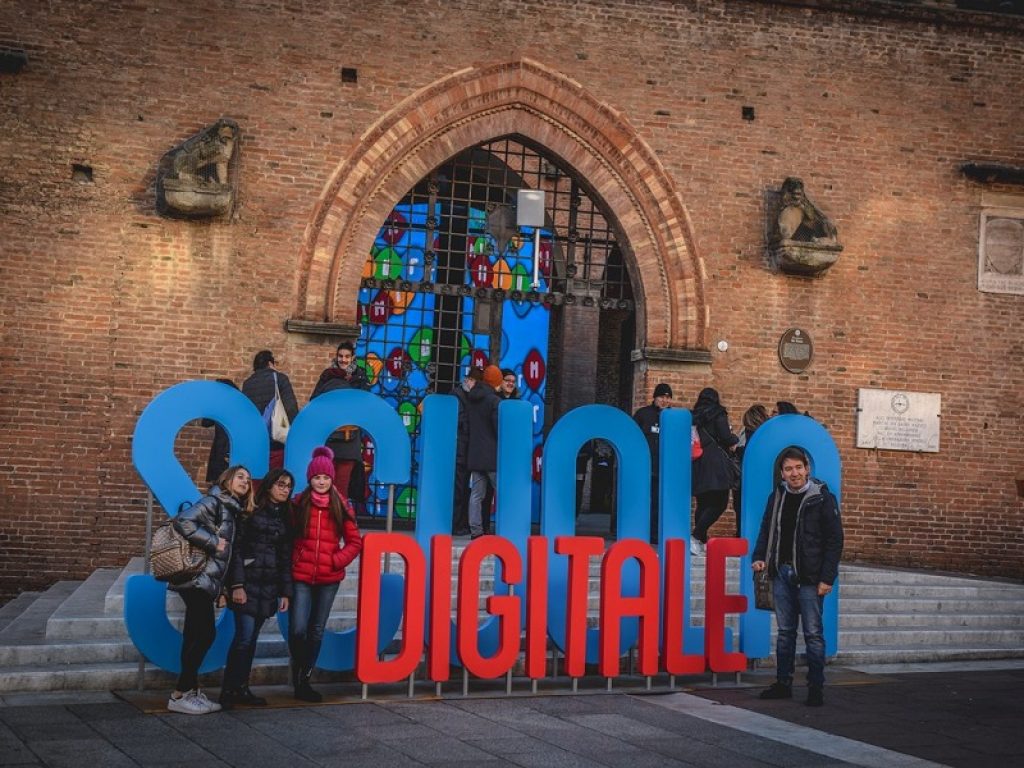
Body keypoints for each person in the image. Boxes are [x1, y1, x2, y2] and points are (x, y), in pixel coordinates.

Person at [752, 446, 843, 707]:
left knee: (813, 633)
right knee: (785, 632)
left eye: (799, 468)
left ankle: (815, 687)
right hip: (781, 573)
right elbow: (766, 529)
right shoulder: (777, 496)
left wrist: (827, 578)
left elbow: (835, 540)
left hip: (810, 578)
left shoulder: (822, 498)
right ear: (782, 473)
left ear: (807, 469)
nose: (794, 473)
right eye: (789, 469)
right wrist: (759, 556)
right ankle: (783, 684)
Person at [166, 465, 251, 715]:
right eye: (240, 477)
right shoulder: (214, 501)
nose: (245, 482)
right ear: (227, 480)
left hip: (206, 580)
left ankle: (189, 692)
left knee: (194, 635)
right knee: (205, 634)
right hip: (196, 578)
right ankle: (180, 693)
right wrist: (213, 542)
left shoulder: (232, 510)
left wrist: (222, 589)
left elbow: (228, 558)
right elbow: (182, 520)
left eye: (248, 479)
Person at [288, 447, 362, 702]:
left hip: (328, 579)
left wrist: (335, 561)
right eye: (317, 477)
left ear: (332, 480)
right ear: (310, 478)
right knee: (298, 629)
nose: (321, 482)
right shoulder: (299, 503)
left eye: (326, 478)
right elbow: (287, 537)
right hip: (301, 575)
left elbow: (355, 542)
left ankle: (303, 681)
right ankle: (298, 671)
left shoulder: (341, 506)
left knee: (316, 630)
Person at [219, 467, 294, 710]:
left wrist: (285, 592)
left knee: (251, 640)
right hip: (248, 584)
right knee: (244, 637)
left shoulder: (285, 517)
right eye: (281, 484)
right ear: (270, 486)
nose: (285, 490)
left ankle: (241, 688)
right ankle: (229, 689)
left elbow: (285, 557)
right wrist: (237, 585)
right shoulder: (251, 511)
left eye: (288, 486)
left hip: (269, 587)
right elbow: (237, 550)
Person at [310, 341, 369, 497]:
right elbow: (315, 400)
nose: (343, 360)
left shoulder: (360, 376)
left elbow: (365, 403)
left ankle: (338, 511)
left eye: (347, 356)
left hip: (350, 439)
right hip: (330, 437)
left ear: (353, 357)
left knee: (341, 488)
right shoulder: (327, 375)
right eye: (341, 356)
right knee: (325, 485)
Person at [690, 387, 739, 555]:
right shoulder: (718, 413)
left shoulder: (694, 416)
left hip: (698, 462)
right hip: (716, 463)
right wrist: (734, 438)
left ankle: (701, 541)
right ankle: (696, 536)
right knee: (720, 503)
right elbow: (726, 437)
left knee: (703, 503)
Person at [241, 350, 299, 470]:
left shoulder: (247, 384)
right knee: (275, 473)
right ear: (270, 363)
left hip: (256, 439)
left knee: (256, 473)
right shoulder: (280, 379)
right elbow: (291, 409)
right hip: (276, 439)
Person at [465, 365, 502, 538]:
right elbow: (498, 428)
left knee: (476, 494)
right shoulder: (494, 401)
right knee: (503, 492)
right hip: (492, 455)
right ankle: (506, 527)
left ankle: (476, 530)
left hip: (476, 453)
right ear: (496, 382)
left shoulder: (472, 398)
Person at [633, 383, 672, 543]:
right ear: (655, 397)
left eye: (668, 398)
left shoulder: (673, 417)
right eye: (661, 397)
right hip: (645, 467)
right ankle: (637, 531)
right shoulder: (643, 414)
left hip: (663, 469)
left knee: (658, 502)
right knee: (641, 500)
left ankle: (654, 534)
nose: (665, 400)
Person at [733, 404, 770, 537]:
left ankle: (741, 537)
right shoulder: (766, 434)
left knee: (741, 511)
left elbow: (746, 453)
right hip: (758, 480)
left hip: (743, 480)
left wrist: (736, 450)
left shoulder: (749, 433)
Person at [450, 369, 477, 536]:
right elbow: (460, 420)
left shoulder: (466, 396)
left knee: (464, 489)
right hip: (460, 449)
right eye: (471, 380)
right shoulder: (457, 395)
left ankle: (460, 523)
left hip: (466, 450)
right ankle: (455, 524)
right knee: (458, 490)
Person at [201, 378, 237, 483]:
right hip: (222, 449)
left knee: (225, 480)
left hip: (226, 449)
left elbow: (205, 422)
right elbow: (206, 422)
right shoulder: (221, 405)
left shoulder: (232, 406)